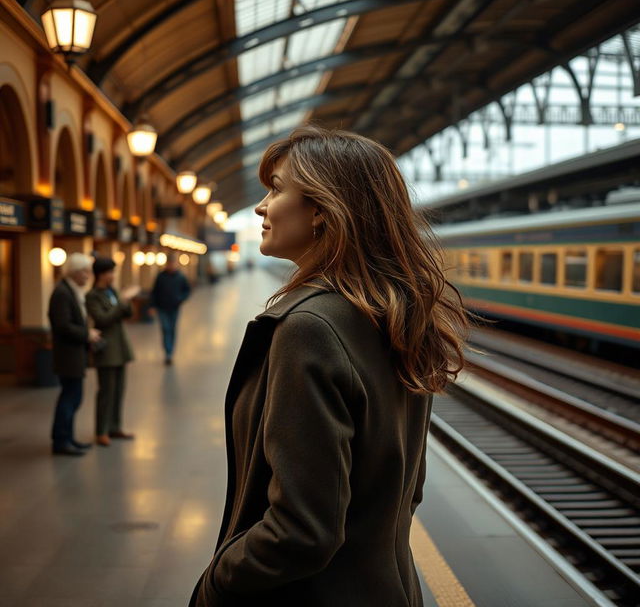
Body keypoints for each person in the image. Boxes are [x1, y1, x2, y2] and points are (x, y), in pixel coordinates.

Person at [189, 127, 468, 606]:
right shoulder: (393, 317)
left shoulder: (310, 328)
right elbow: (408, 487)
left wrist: (217, 581)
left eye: (276, 189)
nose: (260, 206)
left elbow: (301, 532)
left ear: (321, 209)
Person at [49, 253, 102, 456]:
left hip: (74, 354)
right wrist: (86, 334)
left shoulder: (72, 291)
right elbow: (62, 325)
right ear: (75, 272)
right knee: (70, 398)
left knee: (74, 397)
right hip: (67, 355)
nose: (88, 276)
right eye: (86, 272)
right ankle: (61, 440)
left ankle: (68, 437)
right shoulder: (62, 293)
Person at [85, 256, 140, 447]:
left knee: (119, 391)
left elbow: (128, 314)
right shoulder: (92, 296)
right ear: (101, 274)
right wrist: (121, 301)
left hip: (120, 348)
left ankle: (115, 426)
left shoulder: (113, 292)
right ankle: (101, 430)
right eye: (110, 272)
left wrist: (126, 301)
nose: (113, 276)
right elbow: (102, 319)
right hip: (106, 350)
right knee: (106, 392)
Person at [149, 252, 191, 365]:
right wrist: (152, 306)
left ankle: (171, 351)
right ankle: (167, 353)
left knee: (172, 329)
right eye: (169, 263)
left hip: (174, 308)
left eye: (173, 263)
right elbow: (154, 292)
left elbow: (187, 290)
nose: (171, 266)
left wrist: (181, 299)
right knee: (165, 329)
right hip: (162, 308)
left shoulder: (181, 277)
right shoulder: (160, 276)